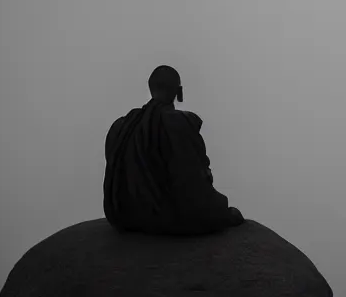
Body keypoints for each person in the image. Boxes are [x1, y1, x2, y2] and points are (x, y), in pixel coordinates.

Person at [103, 65, 245, 235]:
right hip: (163, 216)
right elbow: (192, 179)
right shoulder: (180, 123)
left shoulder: (120, 126)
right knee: (222, 211)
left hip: (123, 216)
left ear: (150, 89)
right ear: (179, 92)